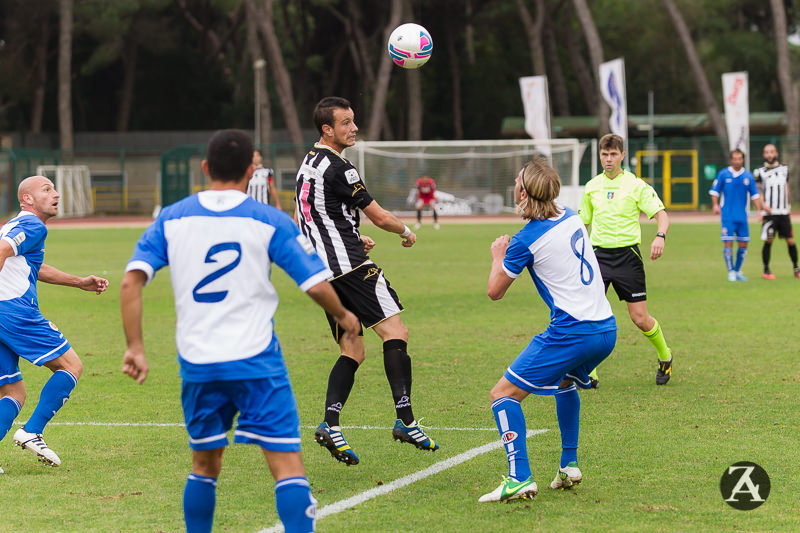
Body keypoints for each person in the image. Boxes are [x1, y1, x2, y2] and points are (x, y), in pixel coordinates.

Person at [120, 129, 359, 533]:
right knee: (286, 465)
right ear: (252, 170)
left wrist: (136, 347)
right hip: (255, 360)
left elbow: (131, 282)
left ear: (204, 168)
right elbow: (316, 284)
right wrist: (344, 316)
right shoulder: (268, 219)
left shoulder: (172, 218)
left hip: (198, 363)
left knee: (204, 465)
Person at [295, 96, 439, 466]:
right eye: (345, 122)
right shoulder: (341, 168)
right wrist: (406, 231)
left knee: (353, 349)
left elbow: (312, 217)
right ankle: (406, 420)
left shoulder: (306, 165)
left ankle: (331, 423)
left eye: (354, 120)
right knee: (396, 332)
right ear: (327, 129)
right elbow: (378, 216)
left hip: (323, 272)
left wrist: (351, 236)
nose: (354, 127)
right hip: (352, 268)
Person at [479, 157, 616, 503]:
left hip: (573, 332)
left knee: (502, 395)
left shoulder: (525, 240)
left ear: (523, 191)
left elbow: (494, 292)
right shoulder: (570, 215)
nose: (513, 181)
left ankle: (519, 477)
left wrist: (498, 255)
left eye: (518, 179)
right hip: (606, 328)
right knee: (565, 381)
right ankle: (569, 464)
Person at [0, 176, 109, 472]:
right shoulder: (33, 225)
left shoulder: (13, 225)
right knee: (71, 365)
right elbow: (1, 252)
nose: (56, 194)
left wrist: (79, 282)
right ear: (27, 199)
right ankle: (32, 431)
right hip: (15, 312)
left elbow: (34, 267)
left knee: (12, 392)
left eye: (54, 188)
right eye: (46, 189)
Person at [578, 133, 673, 386]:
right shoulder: (591, 187)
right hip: (598, 256)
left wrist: (660, 236)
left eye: (613, 154)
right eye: (604, 155)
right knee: (591, 314)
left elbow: (661, 215)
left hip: (628, 256)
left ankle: (665, 355)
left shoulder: (636, 185)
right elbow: (583, 225)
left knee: (640, 318)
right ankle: (590, 371)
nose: (608, 159)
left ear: (622, 156)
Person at [710, 149, 764, 282]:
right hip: (727, 216)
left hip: (742, 217)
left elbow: (755, 195)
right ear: (731, 159)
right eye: (735, 158)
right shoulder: (723, 174)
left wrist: (758, 210)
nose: (737, 161)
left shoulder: (748, 176)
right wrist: (715, 205)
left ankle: (737, 270)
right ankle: (730, 272)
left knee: (744, 244)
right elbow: (715, 191)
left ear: (743, 159)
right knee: (728, 243)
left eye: (739, 158)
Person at [753, 144, 799, 279]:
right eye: (767, 152)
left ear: (776, 153)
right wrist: (762, 205)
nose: (769, 154)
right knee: (769, 240)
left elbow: (787, 188)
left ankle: (796, 268)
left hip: (783, 212)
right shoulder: (760, 171)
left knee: (790, 240)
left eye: (772, 151)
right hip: (770, 213)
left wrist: (788, 206)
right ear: (763, 155)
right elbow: (759, 190)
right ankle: (766, 270)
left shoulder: (785, 169)